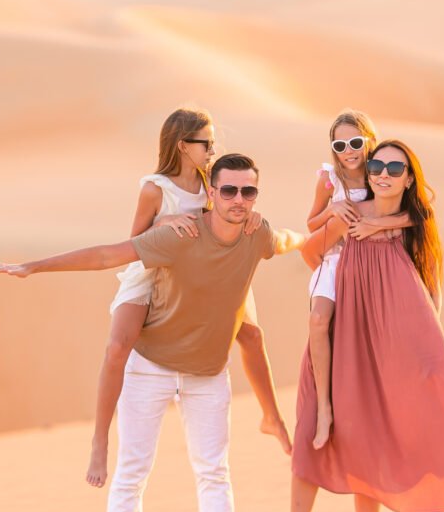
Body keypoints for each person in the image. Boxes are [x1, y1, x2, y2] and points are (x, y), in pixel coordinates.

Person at [0, 153, 304, 512]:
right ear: (211, 194)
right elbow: (106, 256)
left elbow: (286, 240)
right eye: (229, 190)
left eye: (248, 191)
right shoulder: (180, 236)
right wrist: (32, 266)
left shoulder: (256, 233)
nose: (239, 200)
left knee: (213, 471)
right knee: (133, 471)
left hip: (207, 375)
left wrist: (324, 230)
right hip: (150, 368)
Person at [83, 108, 291, 489]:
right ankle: (100, 440)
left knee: (252, 337)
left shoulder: (210, 181)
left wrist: (253, 219)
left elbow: (229, 212)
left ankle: (272, 417)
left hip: (205, 273)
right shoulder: (155, 188)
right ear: (183, 145)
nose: (212, 150)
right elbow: (135, 239)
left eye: (213, 143)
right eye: (206, 144)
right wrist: (163, 222)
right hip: (153, 270)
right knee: (117, 346)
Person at [291, 140, 444, 512]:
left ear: (407, 177)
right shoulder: (348, 213)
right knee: (329, 427)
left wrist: (430, 341)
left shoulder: (417, 222)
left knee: (399, 420)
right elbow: (310, 253)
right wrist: (340, 229)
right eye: (377, 164)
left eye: (393, 167)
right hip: (348, 330)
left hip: (397, 332)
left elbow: (433, 281)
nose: (382, 172)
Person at [305, 110, 409, 450]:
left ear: (368, 140)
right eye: (340, 144)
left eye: (354, 142)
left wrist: (375, 225)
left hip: (375, 263)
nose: (348, 151)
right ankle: (324, 409)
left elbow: (416, 212)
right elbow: (311, 224)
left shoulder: (382, 170)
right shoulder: (328, 179)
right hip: (335, 260)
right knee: (319, 320)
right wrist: (333, 211)